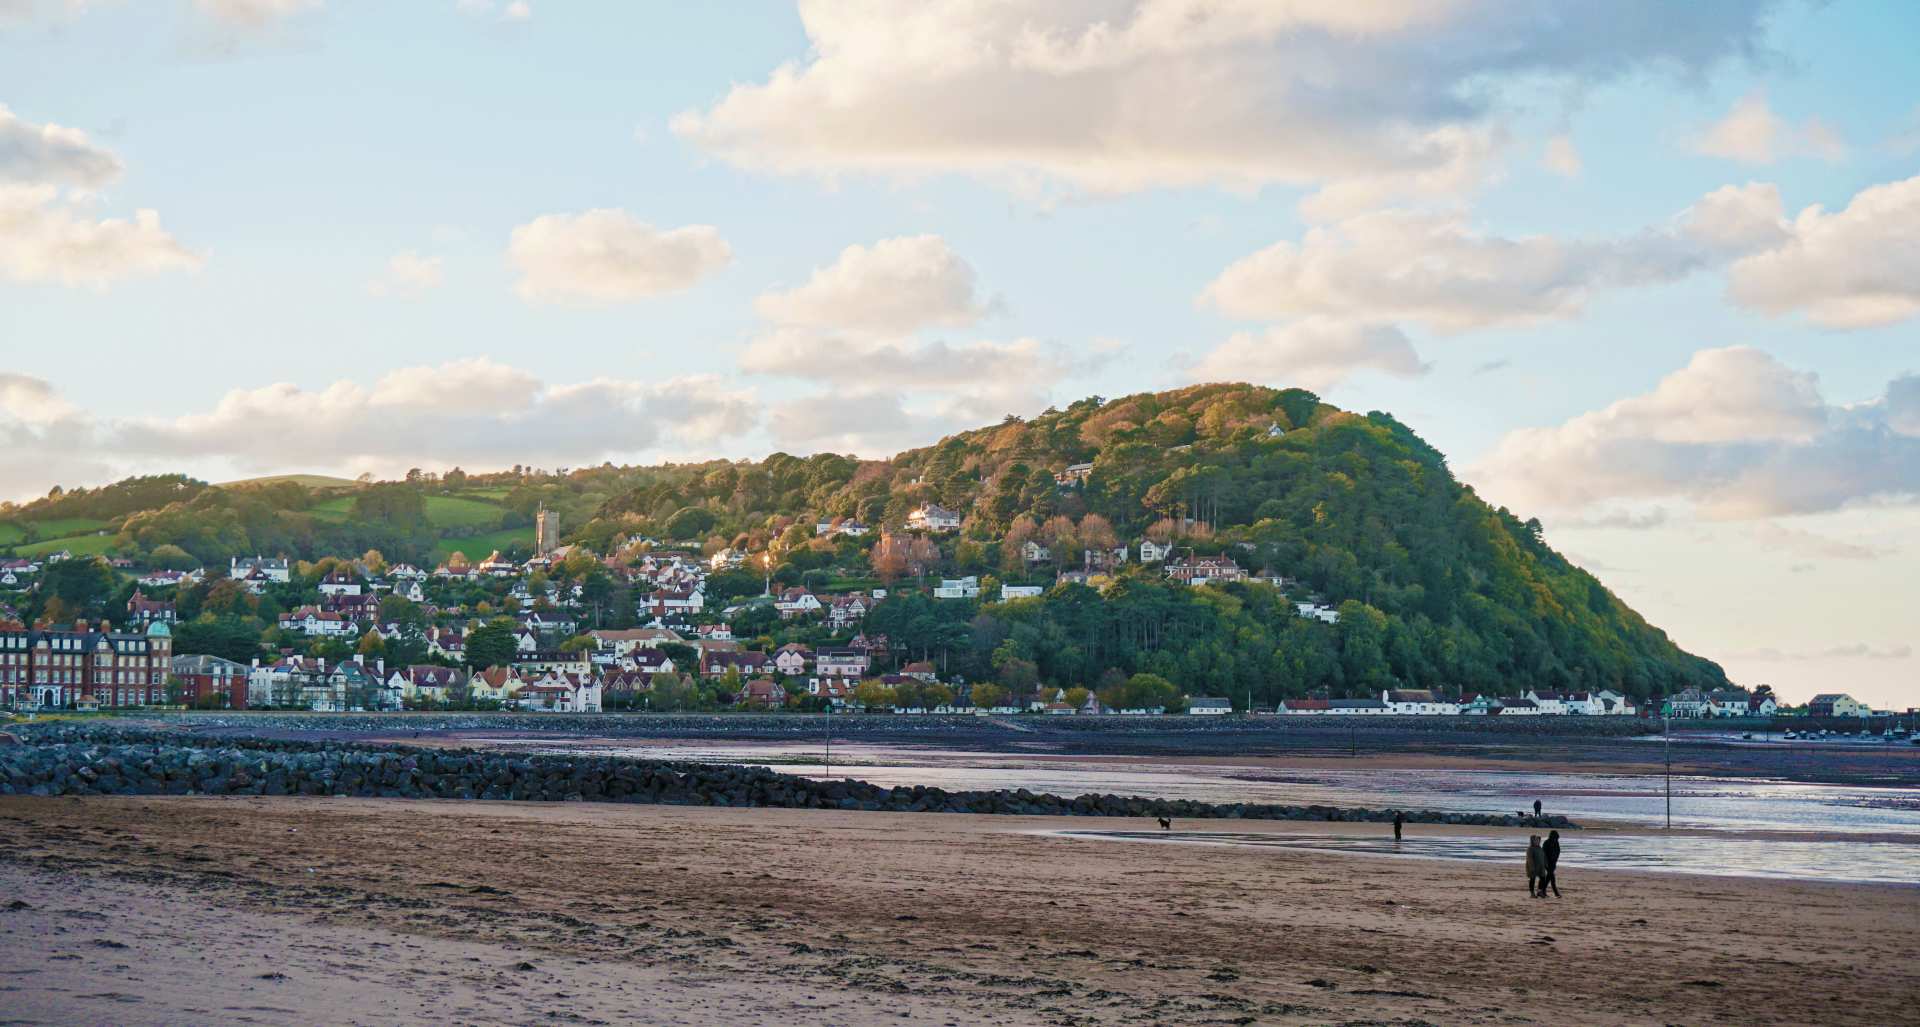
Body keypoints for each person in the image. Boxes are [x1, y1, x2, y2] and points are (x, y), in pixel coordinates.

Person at [1540, 829, 1562, 897]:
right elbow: (1543, 853)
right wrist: (1545, 862)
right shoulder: (1546, 842)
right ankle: (1556, 893)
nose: (1556, 839)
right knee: (1551, 877)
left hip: (1553, 863)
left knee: (1549, 877)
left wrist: (1555, 860)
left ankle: (1542, 891)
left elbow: (1558, 851)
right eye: (1555, 837)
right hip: (1547, 863)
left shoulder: (1556, 842)